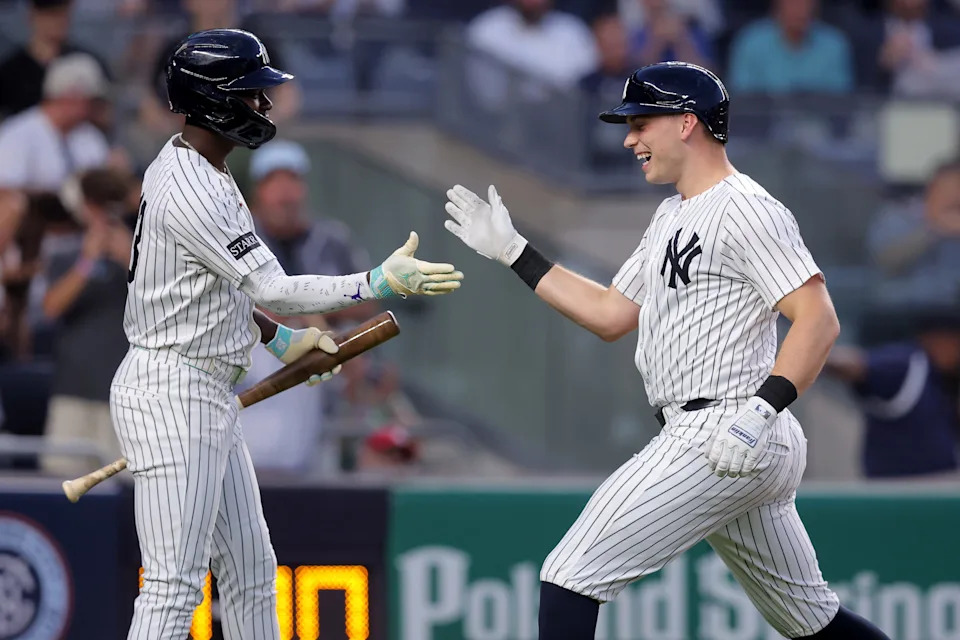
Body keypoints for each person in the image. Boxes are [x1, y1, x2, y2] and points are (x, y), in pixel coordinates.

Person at [443, 62, 890, 639]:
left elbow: (818, 320)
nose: (629, 138)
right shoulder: (672, 213)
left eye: (641, 122)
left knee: (568, 575)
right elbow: (610, 314)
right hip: (729, 432)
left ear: (686, 123)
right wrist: (514, 251)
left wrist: (760, 411)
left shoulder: (746, 207)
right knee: (812, 621)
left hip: (725, 425)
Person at [114, 28, 463, 639]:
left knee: (253, 575)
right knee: (173, 588)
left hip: (200, 387)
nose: (263, 105)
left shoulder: (206, 170)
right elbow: (272, 287)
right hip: (172, 389)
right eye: (252, 93)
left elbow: (216, 292)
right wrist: (376, 282)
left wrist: (278, 340)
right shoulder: (193, 187)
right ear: (215, 98)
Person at [39, 167, 133, 475]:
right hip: (73, 392)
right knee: (62, 485)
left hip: (128, 397)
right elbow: (51, 308)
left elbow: (166, 298)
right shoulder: (66, 252)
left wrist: (130, 257)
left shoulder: (145, 251)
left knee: (129, 493)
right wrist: (87, 258)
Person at [824, 305, 960, 478]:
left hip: (942, 487)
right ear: (936, 339)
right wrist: (808, 355)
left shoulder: (944, 378)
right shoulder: (905, 363)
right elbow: (856, 365)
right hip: (899, 492)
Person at [727, 0, 854, 94]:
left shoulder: (835, 45)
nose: (801, 9)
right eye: (793, 3)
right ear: (777, 5)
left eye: (806, 3)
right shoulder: (750, 42)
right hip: (763, 127)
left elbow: (840, 103)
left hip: (818, 125)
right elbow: (743, 101)